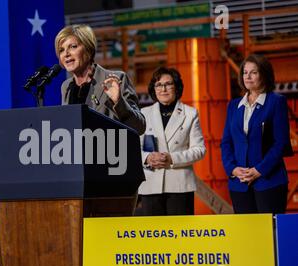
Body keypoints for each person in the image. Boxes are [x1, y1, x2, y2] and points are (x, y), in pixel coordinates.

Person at [220, 54, 291, 214]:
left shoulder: (276, 102)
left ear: (264, 75)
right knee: (248, 235)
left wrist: (258, 170)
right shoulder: (233, 106)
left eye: (254, 72)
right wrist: (232, 169)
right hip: (239, 183)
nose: (248, 76)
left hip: (269, 181)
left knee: (270, 234)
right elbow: (226, 142)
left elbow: (280, 143)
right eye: (245, 72)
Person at [137, 67, 206, 215]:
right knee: (153, 235)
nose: (163, 89)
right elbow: (133, 149)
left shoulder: (190, 114)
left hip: (180, 186)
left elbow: (199, 149)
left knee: (180, 236)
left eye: (168, 84)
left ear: (176, 87)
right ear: (153, 89)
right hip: (150, 185)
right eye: (158, 85)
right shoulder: (144, 114)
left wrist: (172, 158)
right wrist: (147, 157)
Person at [54, 24, 146, 135]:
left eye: (73, 47)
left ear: (88, 48)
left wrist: (119, 102)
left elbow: (139, 127)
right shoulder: (66, 87)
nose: (66, 54)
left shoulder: (115, 79)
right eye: (61, 50)